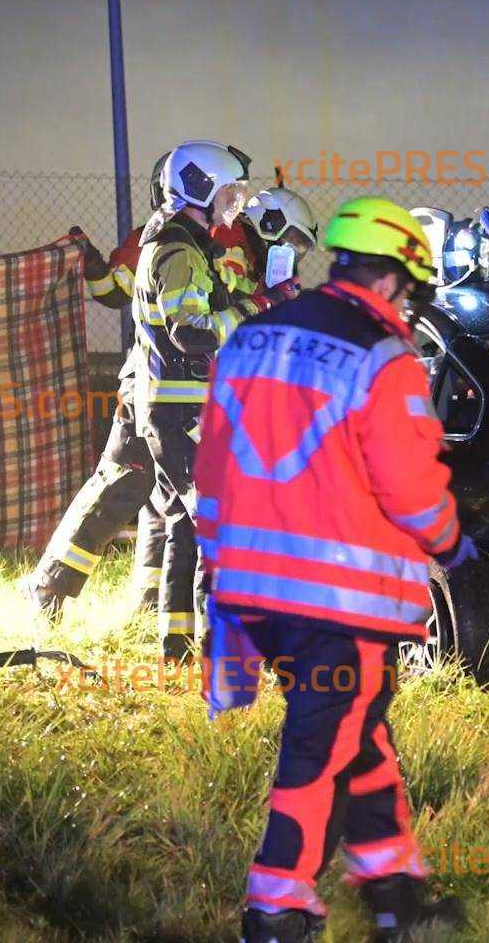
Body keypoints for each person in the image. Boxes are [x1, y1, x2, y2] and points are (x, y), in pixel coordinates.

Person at [196, 195, 468, 942]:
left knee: (358, 734)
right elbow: (411, 488)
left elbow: (212, 465)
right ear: (392, 280)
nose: (408, 306)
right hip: (342, 605)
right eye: (410, 292)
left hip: (255, 595)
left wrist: (221, 567)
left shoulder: (250, 337)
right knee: (319, 751)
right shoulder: (385, 355)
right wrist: (453, 545)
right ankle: (277, 909)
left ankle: (397, 895)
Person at [133, 141, 293, 660]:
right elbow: (193, 333)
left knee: (185, 522)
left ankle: (175, 641)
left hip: (173, 410)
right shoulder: (178, 252)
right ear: (200, 188)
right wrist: (256, 306)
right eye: (230, 191)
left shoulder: (181, 243)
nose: (238, 203)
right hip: (184, 413)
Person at [23, 156, 173, 617]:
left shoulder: (228, 240)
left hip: (198, 389)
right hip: (154, 382)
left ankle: (152, 600)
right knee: (125, 477)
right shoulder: (165, 236)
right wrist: (89, 261)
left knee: (167, 499)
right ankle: (49, 582)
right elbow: (114, 290)